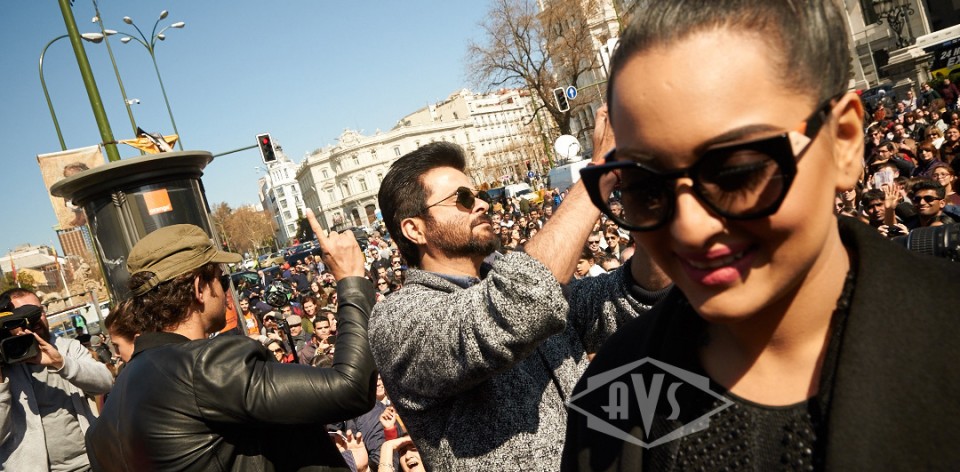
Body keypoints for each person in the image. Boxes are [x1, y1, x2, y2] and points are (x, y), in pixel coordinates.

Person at [563, 1, 960, 470]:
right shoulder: (613, 398)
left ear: (844, 141)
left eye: (737, 172)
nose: (690, 227)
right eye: (645, 188)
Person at [370, 136, 667, 470]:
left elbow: (625, 296)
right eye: (463, 198)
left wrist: (648, 204)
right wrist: (598, 174)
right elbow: (520, 303)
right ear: (415, 230)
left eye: (479, 195)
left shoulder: (517, 278)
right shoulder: (397, 319)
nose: (482, 205)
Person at [85, 220, 378, 471]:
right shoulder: (205, 366)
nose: (227, 291)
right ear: (199, 288)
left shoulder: (107, 420)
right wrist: (351, 280)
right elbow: (350, 387)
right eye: (222, 281)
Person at [0, 288, 114, 472]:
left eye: (38, 311)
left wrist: (60, 363)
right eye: (23, 315)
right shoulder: (5, 365)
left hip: (90, 463)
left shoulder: (68, 348)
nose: (35, 319)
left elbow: (106, 382)